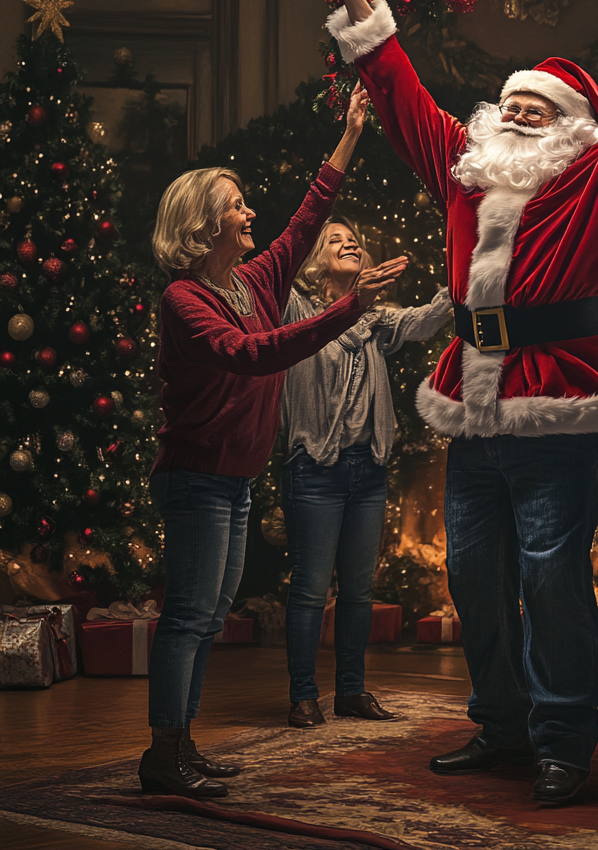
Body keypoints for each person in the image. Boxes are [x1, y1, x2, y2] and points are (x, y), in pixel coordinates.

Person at [318, 0, 598, 803]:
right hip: (473, 400)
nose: (519, 110)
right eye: (512, 102)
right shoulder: (465, 170)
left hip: (563, 403)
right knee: (471, 574)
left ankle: (563, 738)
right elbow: (399, 94)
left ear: (576, 126)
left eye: (540, 106)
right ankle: (501, 725)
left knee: (549, 574)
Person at [141, 85, 407, 797]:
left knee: (206, 619)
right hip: (196, 477)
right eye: (236, 204)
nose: (250, 212)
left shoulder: (252, 279)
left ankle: (182, 746)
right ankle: (163, 753)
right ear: (204, 223)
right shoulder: (185, 298)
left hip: (231, 481)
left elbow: (306, 216)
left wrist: (351, 134)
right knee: (190, 617)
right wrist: (352, 307)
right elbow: (253, 356)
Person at [281, 216, 451, 729]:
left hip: (367, 471)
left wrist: (464, 273)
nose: (347, 241)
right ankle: (304, 695)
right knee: (311, 590)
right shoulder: (295, 309)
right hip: (313, 468)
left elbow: (427, 319)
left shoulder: (376, 319)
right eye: (333, 239)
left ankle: (351, 691)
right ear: (314, 261)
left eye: (353, 237)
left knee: (359, 590)